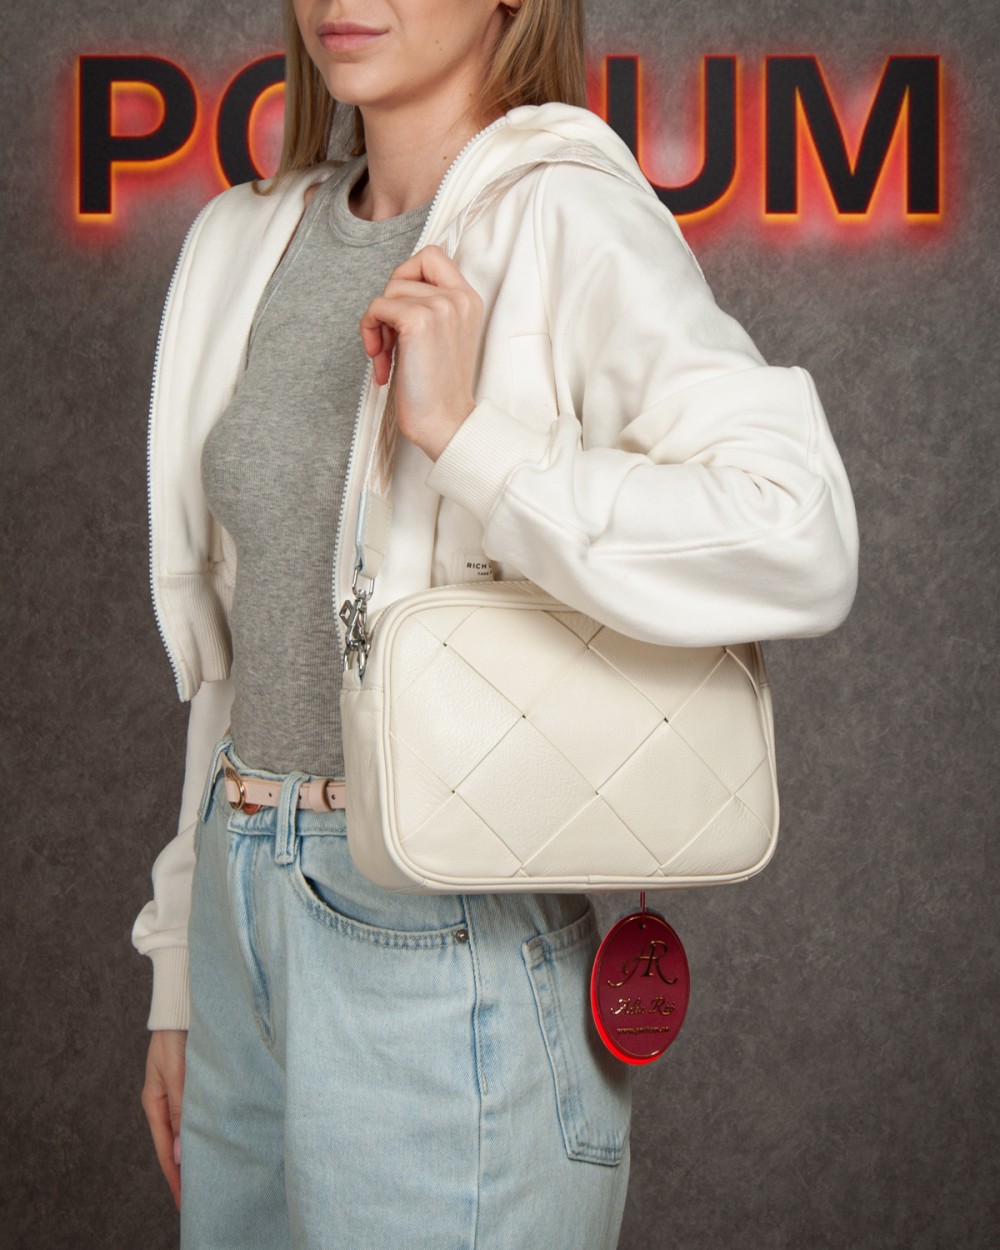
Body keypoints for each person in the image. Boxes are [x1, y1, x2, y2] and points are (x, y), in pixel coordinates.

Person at [133, 1, 859, 1246]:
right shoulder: (242, 240)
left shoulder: (570, 216)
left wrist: (472, 441)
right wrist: (181, 966)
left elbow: (800, 531)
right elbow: (241, 647)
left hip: (439, 928)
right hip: (240, 902)